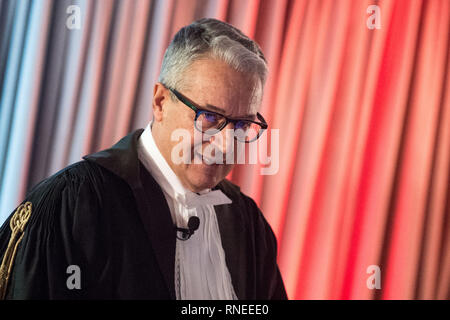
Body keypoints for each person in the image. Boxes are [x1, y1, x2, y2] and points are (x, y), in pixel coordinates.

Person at [0, 18, 287, 300]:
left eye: (241, 125)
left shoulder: (248, 225)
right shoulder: (74, 204)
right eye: (209, 116)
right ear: (160, 102)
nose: (226, 144)